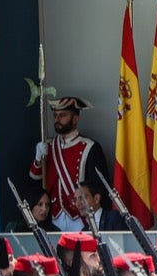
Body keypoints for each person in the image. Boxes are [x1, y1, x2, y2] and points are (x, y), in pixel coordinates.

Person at [29, 96, 108, 229]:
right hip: (53, 217)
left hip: (81, 217)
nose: (57, 120)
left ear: (76, 119)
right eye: (55, 116)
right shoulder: (49, 146)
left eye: (63, 115)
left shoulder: (89, 147)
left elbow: (99, 187)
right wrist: (38, 159)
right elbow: (35, 181)